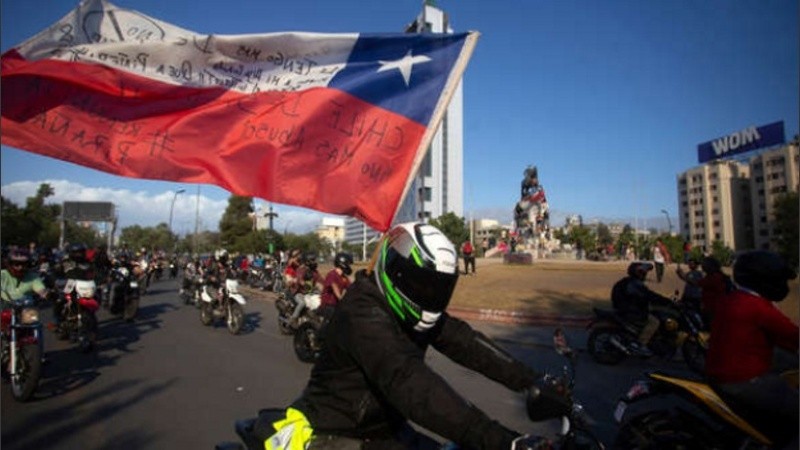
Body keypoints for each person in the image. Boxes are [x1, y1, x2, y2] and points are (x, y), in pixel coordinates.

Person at [263, 222, 567, 449]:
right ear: (394, 270)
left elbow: (463, 341)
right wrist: (505, 442)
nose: (429, 295)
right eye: (421, 284)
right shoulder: (363, 313)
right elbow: (412, 384)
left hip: (387, 431)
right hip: (336, 433)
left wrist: (531, 380)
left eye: (438, 289)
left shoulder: (418, 308)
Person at [705, 250, 798, 448]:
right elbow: (792, 335)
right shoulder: (757, 307)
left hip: (717, 372)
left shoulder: (731, 299)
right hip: (742, 380)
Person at [611, 261, 673, 356]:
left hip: (630, 308)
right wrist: (666, 301)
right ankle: (640, 344)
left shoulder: (630, 281)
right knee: (654, 322)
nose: (645, 274)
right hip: (630, 311)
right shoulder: (633, 284)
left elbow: (647, 294)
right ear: (637, 273)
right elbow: (648, 295)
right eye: (643, 272)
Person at [288, 253, 324, 326]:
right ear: (307, 261)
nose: (315, 262)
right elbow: (300, 280)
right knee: (302, 303)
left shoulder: (314, 271)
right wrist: (305, 284)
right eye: (312, 260)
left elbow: (320, 281)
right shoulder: (301, 269)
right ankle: (293, 318)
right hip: (298, 292)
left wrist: (326, 288)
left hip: (309, 293)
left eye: (315, 260)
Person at [318, 252, 353, 321]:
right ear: (343, 264)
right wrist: (341, 299)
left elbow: (351, 288)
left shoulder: (344, 277)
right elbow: (335, 287)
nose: (349, 267)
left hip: (337, 304)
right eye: (348, 264)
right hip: (327, 305)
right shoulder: (332, 274)